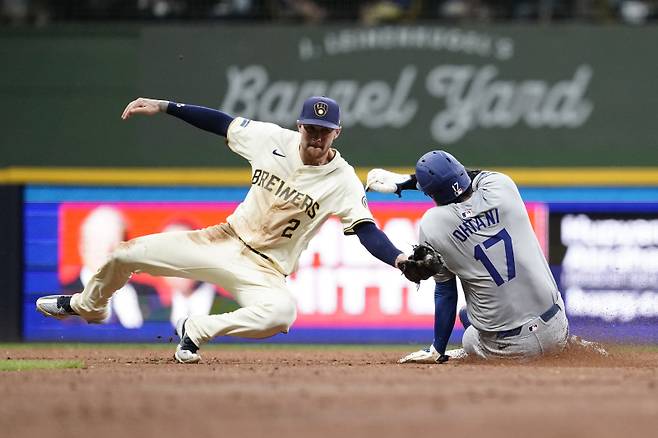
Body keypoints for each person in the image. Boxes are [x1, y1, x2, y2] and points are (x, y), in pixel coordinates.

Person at [36, 95, 407, 363]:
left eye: (324, 131)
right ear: (299, 126)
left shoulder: (343, 180)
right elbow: (220, 122)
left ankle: (196, 329)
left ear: (337, 133)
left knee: (282, 314)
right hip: (221, 240)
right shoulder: (270, 139)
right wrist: (166, 107)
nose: (316, 136)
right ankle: (89, 305)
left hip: (265, 269)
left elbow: (366, 230)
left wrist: (400, 259)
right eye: (311, 128)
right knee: (123, 254)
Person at [367, 150, 570, 362]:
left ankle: (471, 355)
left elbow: (446, 292)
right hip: (556, 327)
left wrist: (438, 349)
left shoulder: (433, 223)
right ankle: (564, 347)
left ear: (430, 194)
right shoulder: (502, 186)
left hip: (511, 348)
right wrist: (409, 181)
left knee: (467, 320)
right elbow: (469, 175)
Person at [61, 205, 159, 329]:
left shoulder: (148, 295)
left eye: (114, 243)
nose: (106, 250)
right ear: (83, 247)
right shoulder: (63, 296)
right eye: (99, 242)